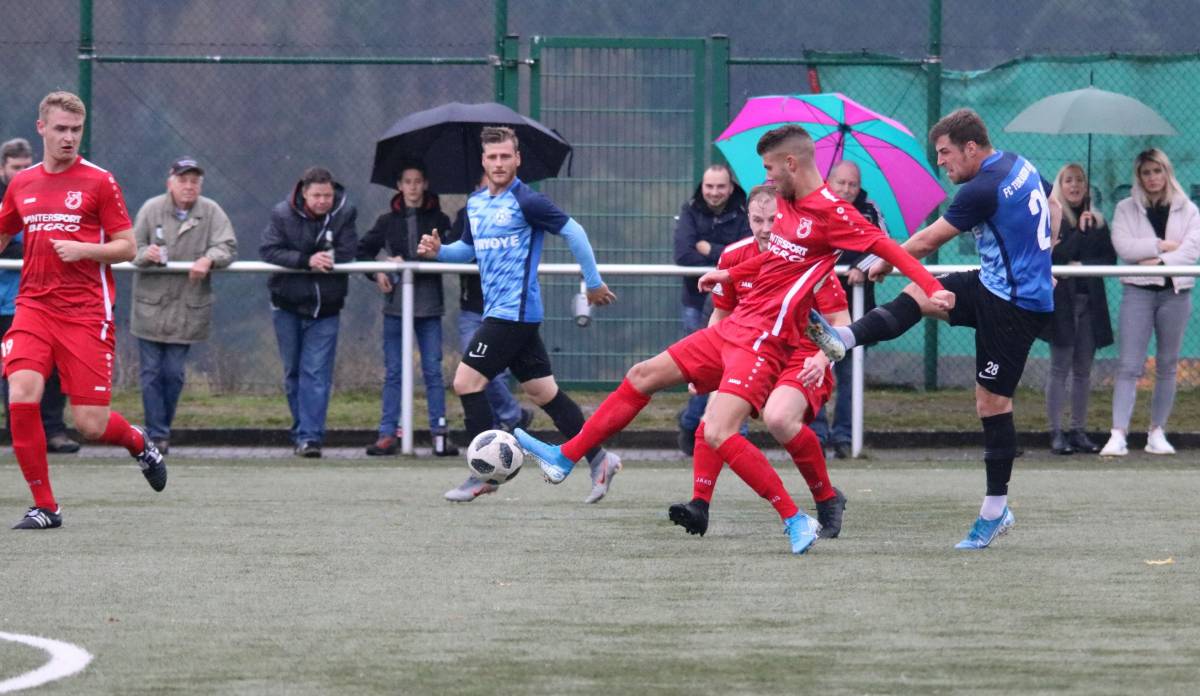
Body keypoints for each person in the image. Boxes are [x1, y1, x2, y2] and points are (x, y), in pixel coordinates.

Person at [516, 124, 951, 554]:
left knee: (721, 431)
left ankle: (796, 518)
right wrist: (731, 273)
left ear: (791, 163)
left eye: (769, 168)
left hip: (765, 341)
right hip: (732, 328)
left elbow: (887, 248)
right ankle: (566, 456)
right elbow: (776, 262)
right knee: (642, 375)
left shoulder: (833, 214)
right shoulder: (786, 204)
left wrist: (931, 288)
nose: (764, 178)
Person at [808, 108, 1053, 550]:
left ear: (972, 148)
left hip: (1015, 306)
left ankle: (995, 511)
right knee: (924, 295)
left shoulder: (982, 187)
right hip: (993, 285)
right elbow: (1050, 203)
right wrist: (1044, 258)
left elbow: (925, 242)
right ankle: (842, 339)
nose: (942, 162)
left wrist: (882, 260)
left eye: (945, 153)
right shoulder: (1020, 163)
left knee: (992, 403)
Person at [416, 126, 619, 504]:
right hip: (506, 315)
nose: (498, 163)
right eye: (492, 157)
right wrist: (438, 251)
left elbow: (575, 233)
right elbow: (467, 252)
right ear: (483, 160)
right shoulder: (476, 204)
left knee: (466, 382)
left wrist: (592, 283)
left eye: (505, 156)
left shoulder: (528, 201)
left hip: (513, 314)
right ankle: (600, 458)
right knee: (544, 393)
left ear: (517, 159)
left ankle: (483, 476)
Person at [0, 91, 167, 529]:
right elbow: (2, 232)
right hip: (33, 306)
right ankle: (45, 506)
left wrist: (86, 250)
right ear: (42, 129)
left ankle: (138, 442)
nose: (69, 138)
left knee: (89, 424)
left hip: (87, 313)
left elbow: (128, 247)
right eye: (60, 129)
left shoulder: (99, 181)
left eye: (76, 130)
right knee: (21, 393)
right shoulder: (22, 184)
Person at [668, 184, 849, 540]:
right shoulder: (734, 257)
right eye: (758, 219)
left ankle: (827, 498)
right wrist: (708, 366)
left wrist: (820, 356)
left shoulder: (809, 257)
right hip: (750, 353)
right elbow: (720, 316)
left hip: (799, 355)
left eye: (774, 219)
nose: (766, 228)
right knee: (711, 419)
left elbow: (841, 322)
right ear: (747, 219)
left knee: (779, 418)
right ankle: (699, 505)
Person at [130, 157, 237, 454]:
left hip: (187, 308)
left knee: (174, 373)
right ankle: (157, 434)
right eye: (183, 180)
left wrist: (209, 258)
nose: (189, 186)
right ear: (171, 183)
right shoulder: (151, 209)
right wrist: (145, 254)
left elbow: (227, 245)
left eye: (194, 181)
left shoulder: (212, 211)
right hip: (150, 307)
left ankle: (161, 429)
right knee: (151, 373)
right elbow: (130, 248)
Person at [1100, 148, 1200, 457]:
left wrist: (1157, 261)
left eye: (1157, 171)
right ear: (1139, 177)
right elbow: (1124, 246)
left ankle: (1157, 432)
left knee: (1167, 365)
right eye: (1146, 173)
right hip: (1138, 293)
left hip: (1175, 294)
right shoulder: (1126, 208)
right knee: (1129, 365)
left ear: (1166, 173)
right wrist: (1159, 244)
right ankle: (1118, 434)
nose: (1152, 178)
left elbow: (1192, 250)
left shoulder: (1189, 210)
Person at [357, 164, 458, 457]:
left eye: (418, 181)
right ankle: (388, 434)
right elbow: (362, 252)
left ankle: (439, 433)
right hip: (395, 309)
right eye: (407, 182)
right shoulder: (386, 221)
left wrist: (413, 259)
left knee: (433, 371)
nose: (413, 187)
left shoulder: (439, 219)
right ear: (399, 185)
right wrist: (378, 272)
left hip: (429, 307)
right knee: (394, 372)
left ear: (425, 184)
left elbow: (448, 252)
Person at [260, 166, 358, 458]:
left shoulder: (345, 212)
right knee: (293, 373)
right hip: (287, 305)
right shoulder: (282, 214)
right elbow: (269, 250)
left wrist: (332, 257)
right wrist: (307, 260)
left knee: (315, 373)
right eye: (316, 195)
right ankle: (301, 430)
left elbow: (350, 249)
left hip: (326, 308)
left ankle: (310, 438)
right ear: (304, 193)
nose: (322, 201)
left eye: (327, 195)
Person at [0, 137, 79, 454]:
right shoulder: (10, 198)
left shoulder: (40, 191)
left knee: (54, 368)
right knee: (13, 371)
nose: (21, 173)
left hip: (42, 298)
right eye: (15, 167)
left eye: (25, 166)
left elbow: (55, 236)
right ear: (3, 168)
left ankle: (54, 431)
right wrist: (31, 246)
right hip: (6, 303)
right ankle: (19, 435)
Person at [443, 173, 532, 435]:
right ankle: (507, 421)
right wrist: (439, 250)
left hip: (506, 311)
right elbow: (459, 249)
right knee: (473, 372)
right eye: (485, 181)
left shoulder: (520, 211)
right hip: (473, 307)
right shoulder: (467, 213)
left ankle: (506, 425)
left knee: (528, 384)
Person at [672, 163, 751, 455]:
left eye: (720, 187)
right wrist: (726, 258)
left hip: (739, 304)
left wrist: (710, 250)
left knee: (735, 367)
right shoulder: (690, 209)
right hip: (696, 303)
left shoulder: (745, 212)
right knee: (702, 370)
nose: (714, 192)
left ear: (730, 187)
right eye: (709, 187)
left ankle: (733, 433)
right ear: (702, 187)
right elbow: (683, 254)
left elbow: (748, 255)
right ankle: (692, 422)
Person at [813, 160, 886, 459]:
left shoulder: (869, 210)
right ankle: (816, 435)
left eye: (852, 184)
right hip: (817, 311)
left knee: (849, 378)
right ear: (829, 182)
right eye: (840, 183)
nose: (846, 189)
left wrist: (860, 265)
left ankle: (844, 436)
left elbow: (884, 246)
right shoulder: (815, 205)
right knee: (813, 374)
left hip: (857, 311)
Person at [1041, 163, 1114, 455]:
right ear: (1061, 185)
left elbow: (1108, 261)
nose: (1075, 186)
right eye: (1068, 181)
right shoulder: (1055, 219)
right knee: (1059, 368)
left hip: (1090, 304)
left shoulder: (1096, 222)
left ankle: (1078, 430)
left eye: (1080, 181)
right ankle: (1055, 432)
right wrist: (1078, 236)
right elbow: (1058, 255)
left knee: (1083, 371)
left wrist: (1082, 266)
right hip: (1063, 305)